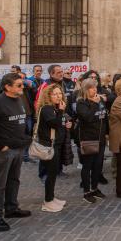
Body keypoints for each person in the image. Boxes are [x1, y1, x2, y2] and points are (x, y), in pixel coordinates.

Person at [0, 73, 32, 231]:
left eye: (22, 84)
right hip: (3, 151)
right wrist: (1, 145)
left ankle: (11, 208)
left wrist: (24, 140)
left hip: (18, 148)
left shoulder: (19, 99)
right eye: (18, 85)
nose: (22, 87)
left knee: (14, 180)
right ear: (7, 87)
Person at [34, 83, 70, 212]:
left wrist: (66, 123)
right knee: (50, 174)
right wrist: (60, 111)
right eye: (54, 94)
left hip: (57, 145)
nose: (58, 96)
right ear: (48, 96)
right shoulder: (47, 109)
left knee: (54, 173)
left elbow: (59, 124)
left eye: (60, 93)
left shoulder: (55, 108)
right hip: (49, 146)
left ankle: (51, 197)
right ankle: (47, 201)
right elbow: (54, 124)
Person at [75, 79, 108, 203]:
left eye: (95, 87)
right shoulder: (81, 103)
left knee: (98, 165)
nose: (94, 90)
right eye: (91, 88)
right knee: (87, 165)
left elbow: (104, 117)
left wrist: (107, 133)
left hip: (101, 138)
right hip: (88, 139)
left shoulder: (99, 101)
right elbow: (88, 117)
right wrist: (94, 104)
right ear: (85, 89)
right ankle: (86, 191)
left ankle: (94, 188)